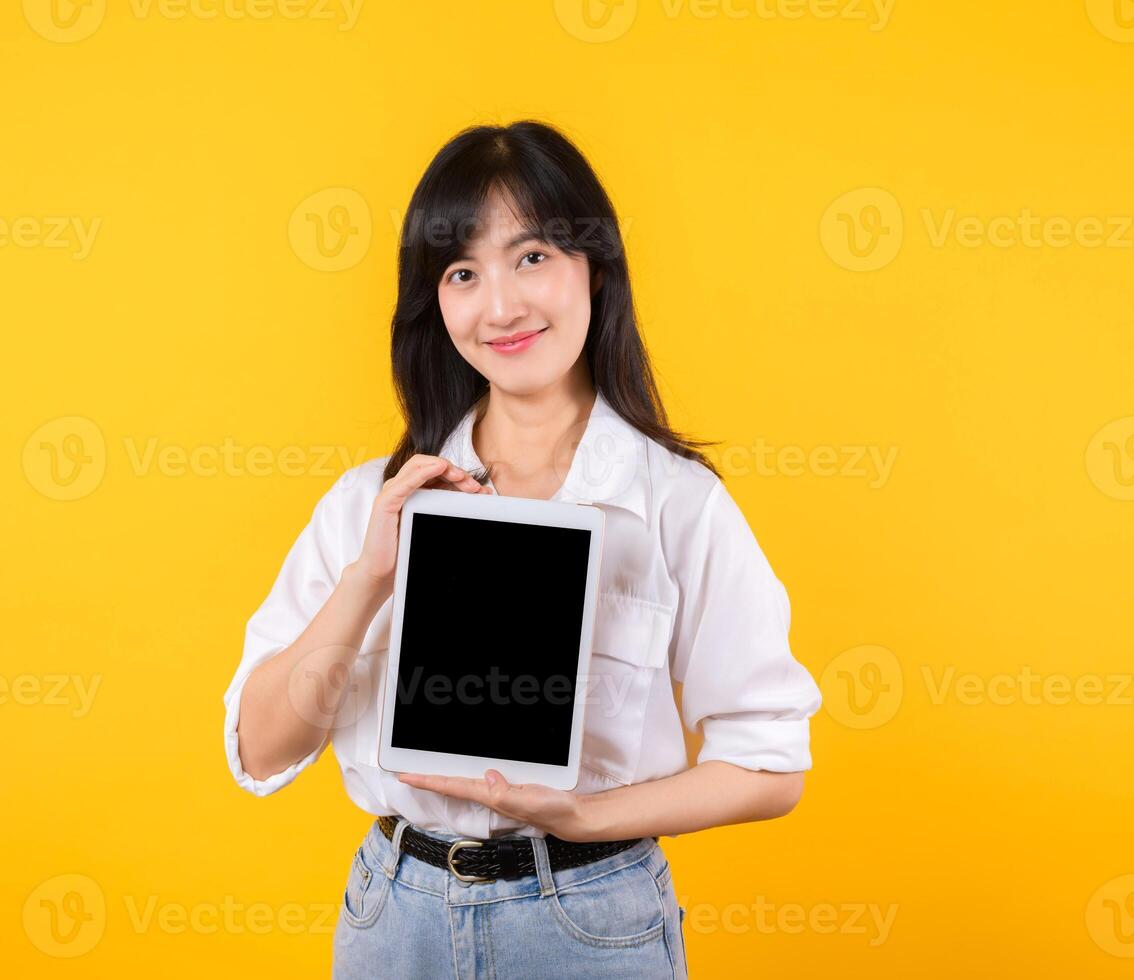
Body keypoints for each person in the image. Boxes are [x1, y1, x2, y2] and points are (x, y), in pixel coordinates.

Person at [221, 120, 822, 979]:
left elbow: (770, 764)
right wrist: (368, 578)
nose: (500, 306)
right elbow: (260, 748)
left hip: (590, 921)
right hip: (393, 918)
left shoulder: (677, 505)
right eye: (463, 273)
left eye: (531, 256)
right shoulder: (369, 502)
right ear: (436, 302)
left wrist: (583, 816)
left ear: (594, 267)